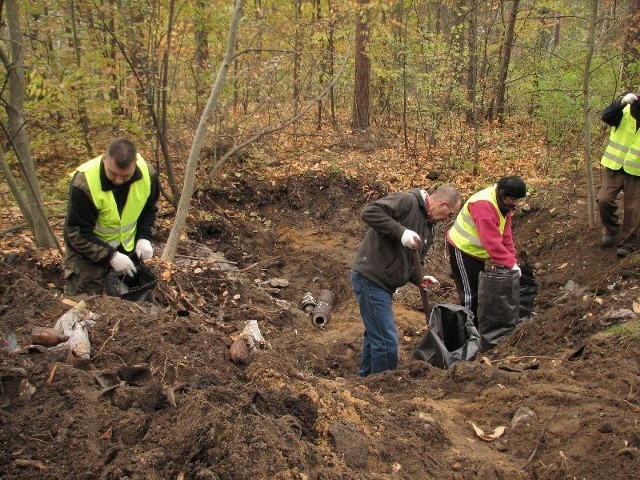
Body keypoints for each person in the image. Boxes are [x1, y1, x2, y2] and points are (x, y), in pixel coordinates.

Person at [351, 185, 463, 377]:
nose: (448, 219)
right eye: (450, 213)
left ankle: (366, 380)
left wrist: (419, 278)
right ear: (442, 204)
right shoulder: (408, 202)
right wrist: (401, 232)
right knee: (386, 341)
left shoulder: (429, 228)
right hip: (370, 277)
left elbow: (413, 260)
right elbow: (369, 212)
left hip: (384, 284)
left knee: (375, 336)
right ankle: (382, 385)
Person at [63, 138, 160, 296]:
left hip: (125, 248)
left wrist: (144, 237)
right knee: (85, 304)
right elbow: (75, 233)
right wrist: (111, 256)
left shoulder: (148, 175)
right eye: (113, 174)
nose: (119, 180)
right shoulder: (84, 183)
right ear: (104, 158)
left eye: (126, 176)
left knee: (130, 302)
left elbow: (149, 209)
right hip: (87, 250)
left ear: (135, 163)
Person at [446, 176, 526, 323]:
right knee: (470, 295)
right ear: (502, 195)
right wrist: (510, 264)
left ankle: (478, 328)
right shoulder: (484, 206)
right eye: (513, 200)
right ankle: (469, 333)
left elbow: (505, 234)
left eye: (518, 200)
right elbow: (491, 242)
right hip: (463, 249)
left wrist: (511, 258)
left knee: (479, 292)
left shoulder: (504, 205)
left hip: (477, 253)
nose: (516, 204)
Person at [598, 92, 640, 258]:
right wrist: (621, 102)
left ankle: (628, 244)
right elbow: (606, 116)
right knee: (604, 200)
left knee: (633, 209)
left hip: (637, 173)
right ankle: (612, 230)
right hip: (615, 167)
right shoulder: (624, 111)